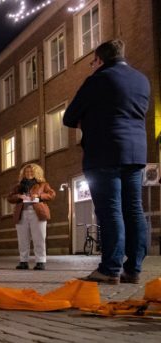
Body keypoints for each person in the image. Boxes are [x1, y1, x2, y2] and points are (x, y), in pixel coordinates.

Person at [63, 39, 150, 285]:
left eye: (93, 62)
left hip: (104, 153)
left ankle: (110, 268)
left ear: (100, 60)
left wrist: (89, 121)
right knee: (133, 209)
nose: (92, 66)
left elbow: (70, 116)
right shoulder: (141, 80)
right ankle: (133, 269)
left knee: (110, 210)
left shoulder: (98, 79)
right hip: (135, 153)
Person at [7, 163, 55, 270]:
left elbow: (52, 194)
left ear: (36, 173)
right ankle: (23, 261)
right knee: (22, 239)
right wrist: (19, 196)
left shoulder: (43, 184)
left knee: (39, 238)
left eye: (31, 172)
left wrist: (39, 195)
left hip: (38, 213)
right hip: (22, 213)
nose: (29, 173)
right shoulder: (18, 186)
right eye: (26, 172)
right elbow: (9, 198)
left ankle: (40, 262)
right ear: (23, 173)